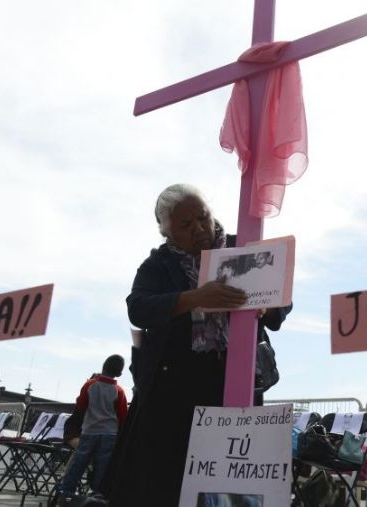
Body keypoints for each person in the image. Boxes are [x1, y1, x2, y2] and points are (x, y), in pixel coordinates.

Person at [103, 183, 290, 506]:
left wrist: (267, 305)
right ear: (166, 231)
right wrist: (195, 298)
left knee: (230, 474)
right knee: (168, 481)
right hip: (174, 390)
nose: (200, 229)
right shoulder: (159, 264)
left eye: (203, 217)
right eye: (186, 225)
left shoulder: (242, 248)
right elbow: (138, 307)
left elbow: (281, 302)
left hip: (237, 380)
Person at [57, 354, 128, 501]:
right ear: (119, 373)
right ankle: (97, 494)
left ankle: (66, 492)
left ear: (103, 366)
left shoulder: (90, 385)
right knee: (102, 465)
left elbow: (81, 405)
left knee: (79, 462)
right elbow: (122, 416)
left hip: (90, 431)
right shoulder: (119, 391)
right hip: (109, 434)